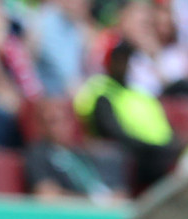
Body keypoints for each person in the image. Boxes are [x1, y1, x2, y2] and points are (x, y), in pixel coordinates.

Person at [74, 39, 179, 191]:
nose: (123, 65)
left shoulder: (140, 94)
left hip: (154, 150)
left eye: (127, 60)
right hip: (130, 150)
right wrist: (146, 146)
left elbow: (163, 127)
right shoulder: (100, 91)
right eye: (119, 60)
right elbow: (111, 129)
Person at [24, 97, 126, 203]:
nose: (62, 126)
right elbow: (47, 195)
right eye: (53, 121)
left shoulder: (81, 153)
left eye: (66, 119)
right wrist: (94, 201)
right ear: (41, 126)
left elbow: (117, 193)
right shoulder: (38, 154)